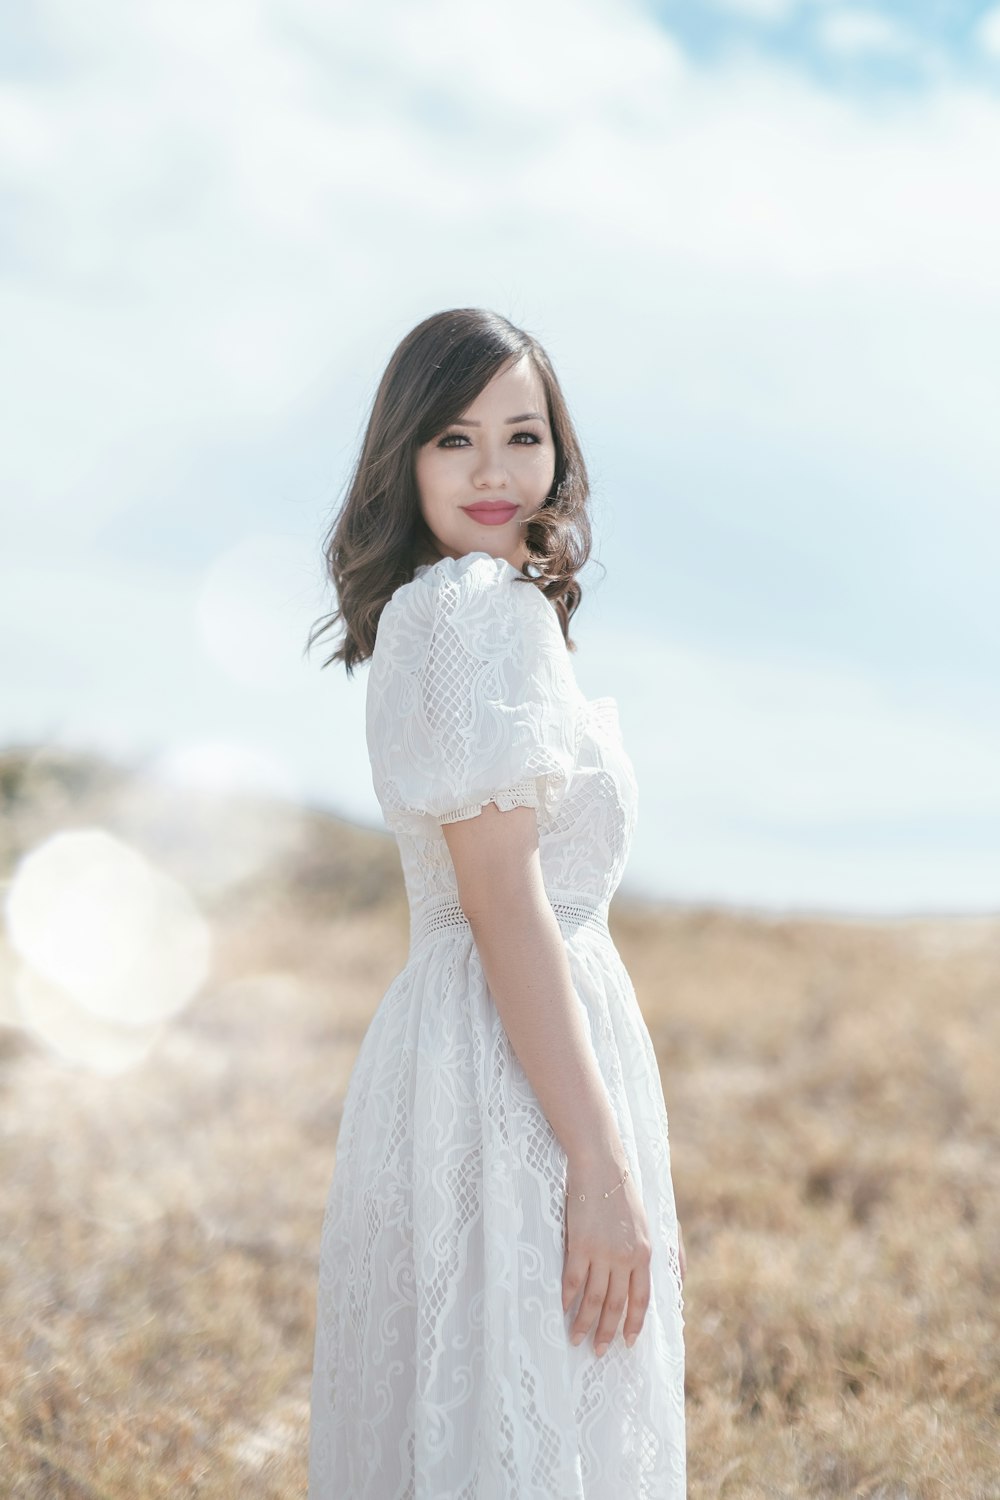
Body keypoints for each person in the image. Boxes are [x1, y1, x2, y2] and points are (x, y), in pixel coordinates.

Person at [306, 308, 687, 1497]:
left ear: (557, 461)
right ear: (402, 457)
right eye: (452, 439)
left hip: (461, 1055)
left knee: (467, 1421)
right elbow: (504, 899)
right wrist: (596, 1157)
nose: (490, 472)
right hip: (511, 1075)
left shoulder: (433, 616)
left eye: (521, 438)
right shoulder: (477, 610)